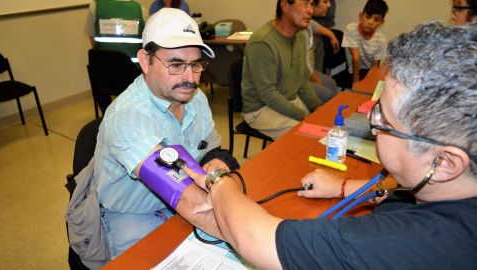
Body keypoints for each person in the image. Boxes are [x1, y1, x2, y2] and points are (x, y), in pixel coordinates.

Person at [184, 21, 477, 269]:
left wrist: (218, 181)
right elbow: (396, 193)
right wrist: (343, 187)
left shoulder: (411, 242)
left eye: (382, 119)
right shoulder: (451, 195)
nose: (373, 122)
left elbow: (257, 239)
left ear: (445, 163)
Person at [70, 8, 239, 267]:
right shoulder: (128, 116)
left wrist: (217, 163)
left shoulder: (196, 99)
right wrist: (251, 240)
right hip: (132, 214)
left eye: (196, 64)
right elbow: (183, 196)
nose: (190, 77)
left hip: (183, 200)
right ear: (145, 61)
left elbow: (213, 149)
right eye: (176, 64)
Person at [241, 0, 323, 140]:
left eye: (311, 4)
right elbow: (268, 94)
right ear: (285, 5)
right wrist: (303, 116)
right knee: (311, 139)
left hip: (288, 100)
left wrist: (317, 107)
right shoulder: (263, 42)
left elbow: (302, 81)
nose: (310, 10)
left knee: (325, 128)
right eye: (305, 3)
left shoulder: (300, 37)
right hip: (261, 110)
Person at [84, 0, 149, 114]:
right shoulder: (141, 11)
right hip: (132, 78)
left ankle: (107, 116)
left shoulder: (95, 7)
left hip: (103, 77)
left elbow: (92, 41)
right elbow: (148, 45)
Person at [341, 0, 388, 82]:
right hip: (354, 71)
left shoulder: (381, 40)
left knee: (384, 83)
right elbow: (355, 58)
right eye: (367, 17)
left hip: (369, 71)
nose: (370, 22)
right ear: (361, 16)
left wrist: (366, 82)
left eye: (376, 20)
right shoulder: (351, 29)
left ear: (381, 22)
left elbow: (375, 66)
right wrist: (357, 83)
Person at [305, 0, 339, 94]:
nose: (329, 5)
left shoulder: (309, 23)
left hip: (310, 72)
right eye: (325, 1)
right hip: (303, 76)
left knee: (332, 83)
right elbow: (305, 65)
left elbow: (314, 25)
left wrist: (331, 35)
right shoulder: (301, 29)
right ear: (313, 5)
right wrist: (318, 82)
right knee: (327, 93)